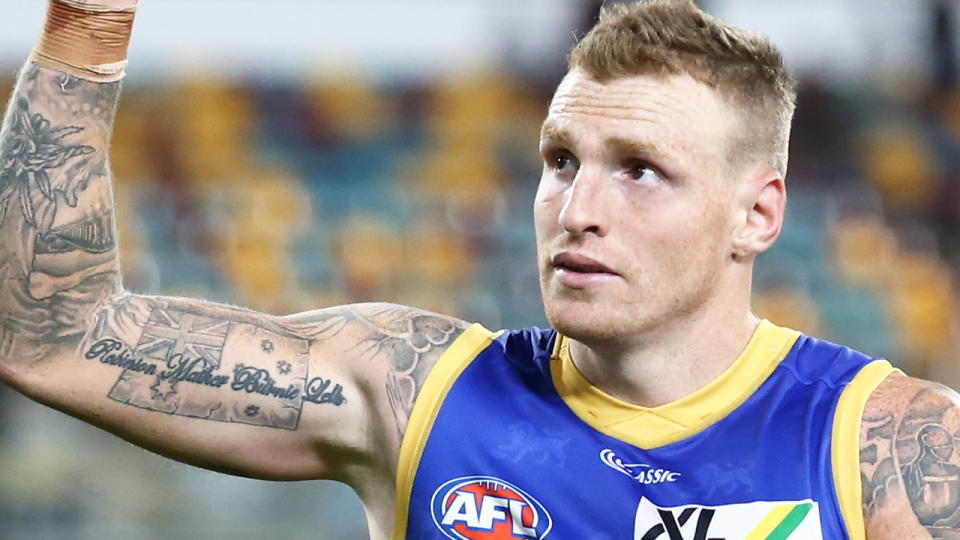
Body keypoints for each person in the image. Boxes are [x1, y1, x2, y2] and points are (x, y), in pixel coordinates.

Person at [0, 0, 956, 538]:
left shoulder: (887, 450)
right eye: (560, 161)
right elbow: (55, 333)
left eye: (640, 172)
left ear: (758, 213)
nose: (577, 210)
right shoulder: (412, 393)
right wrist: (89, 18)